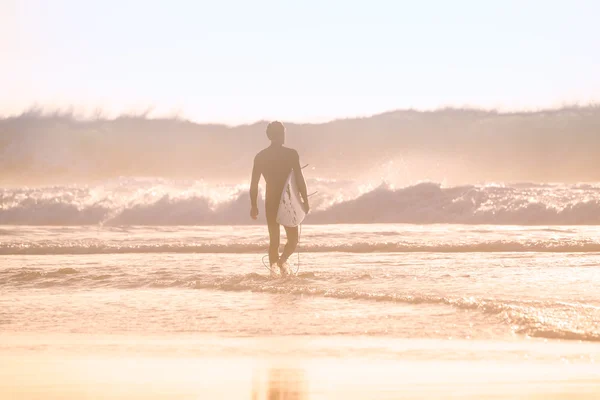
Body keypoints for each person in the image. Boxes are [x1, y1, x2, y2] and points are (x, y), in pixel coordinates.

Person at [250, 121, 309, 277]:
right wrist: (304, 200)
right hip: (287, 201)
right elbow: (299, 178)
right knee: (293, 240)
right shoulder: (291, 154)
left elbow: (254, 184)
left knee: (274, 241)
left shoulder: (260, 156)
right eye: (282, 133)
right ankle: (282, 262)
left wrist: (254, 206)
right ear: (278, 135)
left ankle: (275, 273)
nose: (284, 136)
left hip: (270, 201)